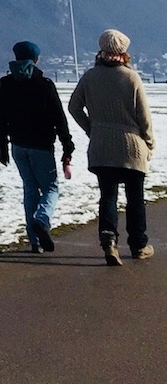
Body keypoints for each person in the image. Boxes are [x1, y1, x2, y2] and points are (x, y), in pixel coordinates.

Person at [68, 29, 154, 266]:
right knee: (135, 198)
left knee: (108, 196)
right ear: (124, 51)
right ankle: (138, 245)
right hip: (131, 147)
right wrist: (148, 143)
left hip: (102, 148)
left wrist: (92, 128)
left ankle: (109, 241)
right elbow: (143, 116)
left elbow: (74, 107)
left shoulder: (89, 77)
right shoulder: (131, 78)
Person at [0, 40, 74, 253]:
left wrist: (1, 144)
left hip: (18, 146)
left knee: (30, 189)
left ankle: (34, 241)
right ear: (36, 59)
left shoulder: (5, 84)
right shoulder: (45, 85)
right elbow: (59, 118)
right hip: (41, 146)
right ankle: (42, 219)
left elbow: (0, 118)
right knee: (50, 188)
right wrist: (67, 146)